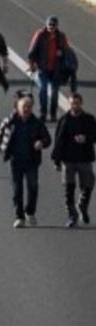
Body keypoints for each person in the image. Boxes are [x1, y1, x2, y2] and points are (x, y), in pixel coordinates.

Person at [0, 94, 53, 227]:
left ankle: (30, 212)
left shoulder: (37, 123)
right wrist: (3, 149)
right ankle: (19, 217)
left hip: (31, 161)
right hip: (15, 161)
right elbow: (0, 135)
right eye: (24, 106)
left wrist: (41, 142)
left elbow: (48, 139)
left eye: (29, 107)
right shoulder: (10, 121)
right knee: (17, 190)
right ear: (18, 107)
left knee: (33, 187)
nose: (26, 109)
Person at [53, 92, 96, 227]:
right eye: (72, 103)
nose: (74, 106)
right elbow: (58, 140)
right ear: (69, 104)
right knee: (68, 189)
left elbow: (95, 135)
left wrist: (86, 138)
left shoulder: (89, 119)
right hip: (68, 159)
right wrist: (57, 160)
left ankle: (82, 206)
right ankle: (72, 215)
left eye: (77, 103)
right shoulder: (64, 120)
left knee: (88, 186)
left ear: (81, 104)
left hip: (85, 158)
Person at [27, 16, 74, 121]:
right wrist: (32, 64)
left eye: (53, 26)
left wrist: (69, 67)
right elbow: (32, 51)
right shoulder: (40, 35)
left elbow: (67, 52)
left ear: (57, 26)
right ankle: (43, 113)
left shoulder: (61, 37)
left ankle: (53, 114)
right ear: (46, 25)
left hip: (56, 70)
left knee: (55, 92)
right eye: (49, 25)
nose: (50, 28)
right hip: (42, 68)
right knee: (43, 89)